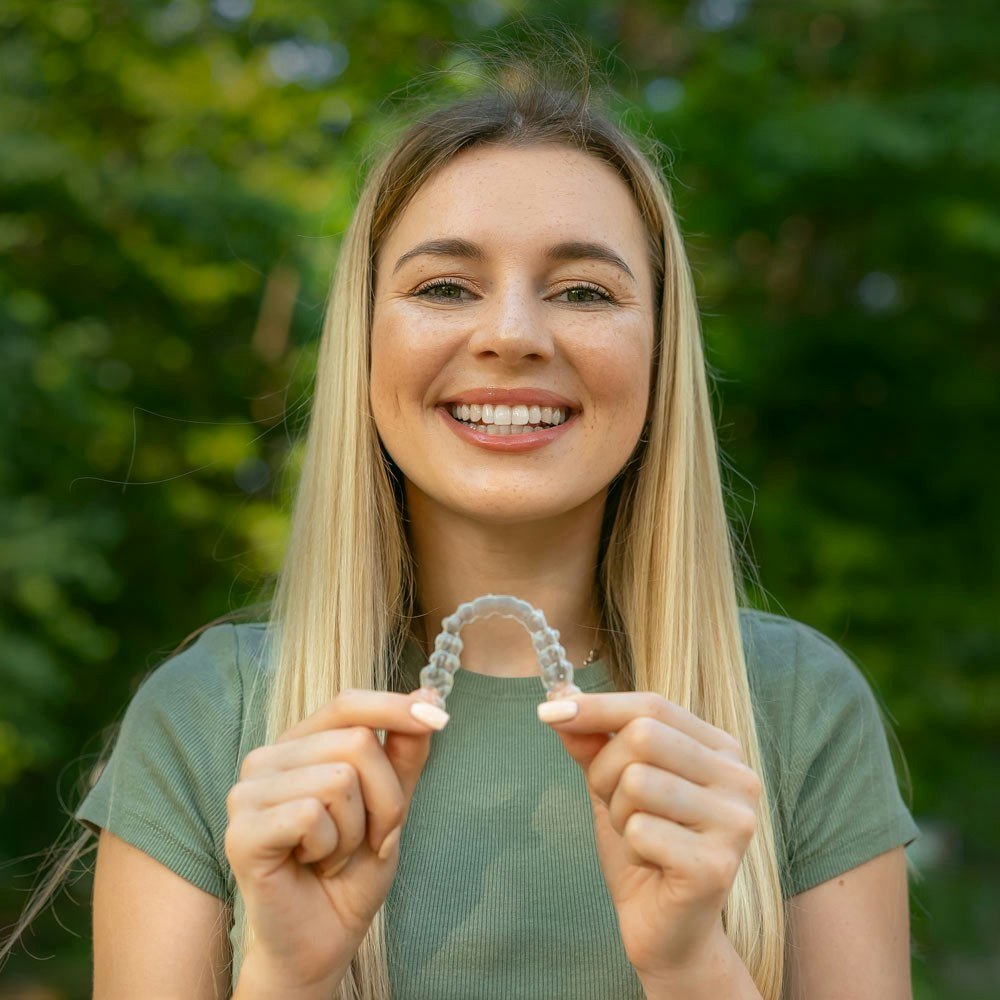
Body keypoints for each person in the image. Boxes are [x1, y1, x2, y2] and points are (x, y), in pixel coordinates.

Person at [19, 50, 918, 1000]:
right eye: (445, 287)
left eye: (584, 291)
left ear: (662, 356)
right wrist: (288, 973)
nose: (513, 334)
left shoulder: (798, 707)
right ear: (365, 342)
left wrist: (694, 964)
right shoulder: (206, 720)